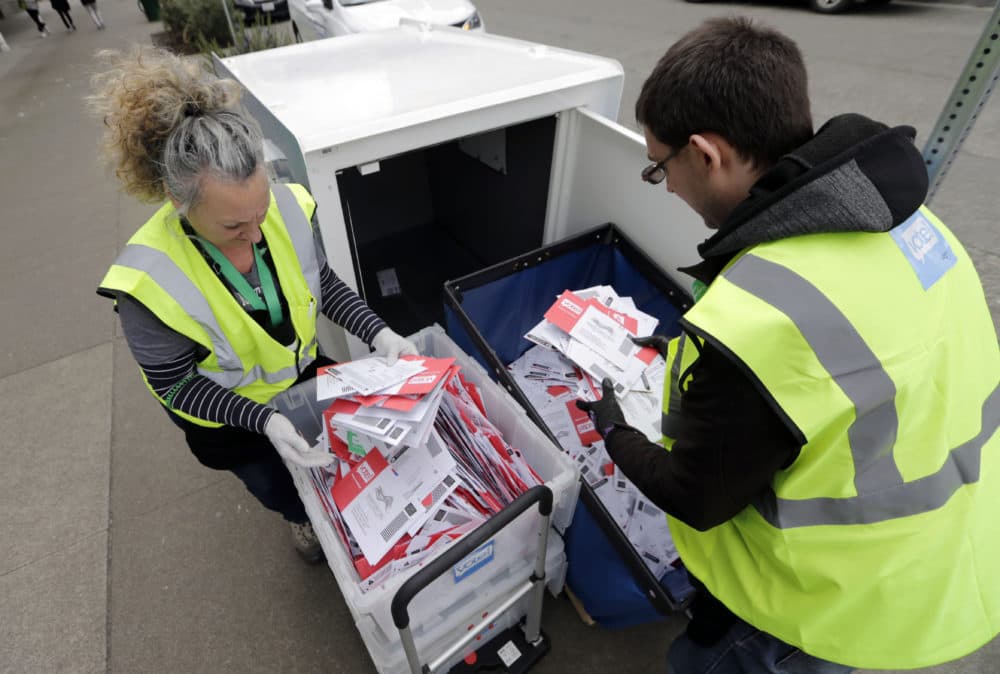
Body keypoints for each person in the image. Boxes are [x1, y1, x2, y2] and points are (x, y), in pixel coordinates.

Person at [576, 16, 999, 674]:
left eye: (660, 170)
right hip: (961, 556)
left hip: (843, 617)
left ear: (706, 154)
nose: (671, 189)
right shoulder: (915, 226)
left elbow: (698, 496)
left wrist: (613, 430)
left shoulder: (763, 320)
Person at [90, 47, 418, 563]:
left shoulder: (286, 206)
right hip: (227, 427)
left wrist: (381, 333)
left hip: (305, 380)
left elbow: (320, 282)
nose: (254, 233)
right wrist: (263, 421)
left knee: (340, 460)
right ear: (179, 203)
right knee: (274, 484)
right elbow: (176, 385)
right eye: (232, 228)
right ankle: (301, 521)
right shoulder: (144, 284)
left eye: (259, 212)